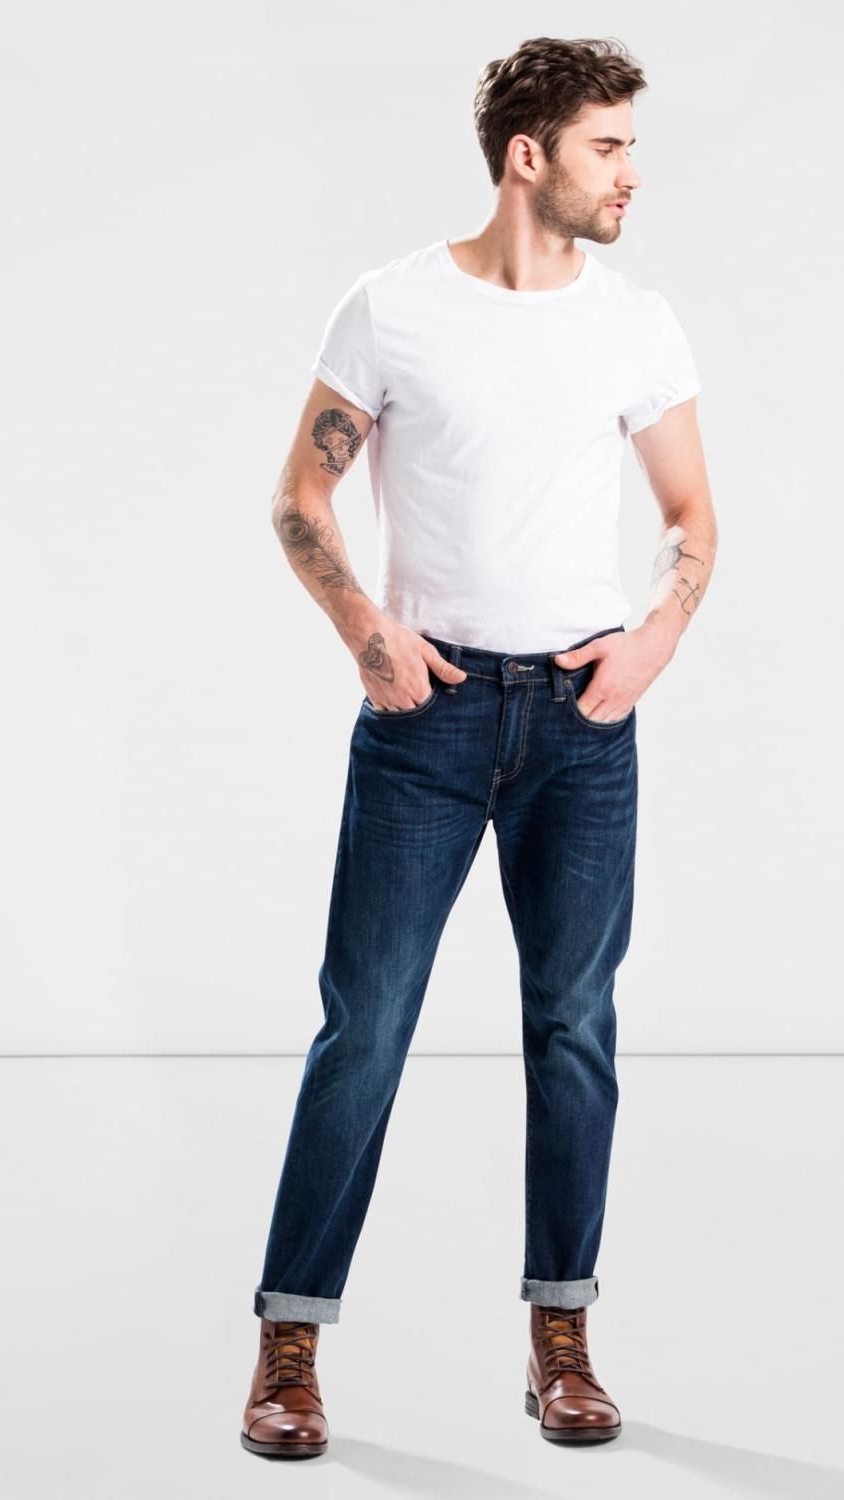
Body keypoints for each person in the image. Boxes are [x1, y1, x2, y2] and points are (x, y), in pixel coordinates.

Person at [241, 35, 718, 1459]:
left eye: (629, 146)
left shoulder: (636, 323)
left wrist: (651, 642)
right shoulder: (391, 308)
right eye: (607, 147)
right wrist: (366, 635)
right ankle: (288, 1347)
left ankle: (561, 1337)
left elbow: (691, 519)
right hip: (427, 720)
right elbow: (299, 501)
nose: (630, 174)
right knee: (366, 1026)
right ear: (529, 155)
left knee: (573, 1027)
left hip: (582, 722)